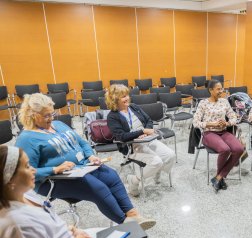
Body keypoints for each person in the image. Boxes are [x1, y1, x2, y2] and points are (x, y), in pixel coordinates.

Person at [15, 93, 155, 229]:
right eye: (46, 115)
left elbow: (82, 142)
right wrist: (55, 169)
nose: (51, 118)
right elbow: (24, 172)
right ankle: (125, 223)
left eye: (52, 114)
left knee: (111, 175)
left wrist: (90, 156)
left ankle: (134, 215)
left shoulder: (58, 124)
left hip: (81, 168)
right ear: (32, 115)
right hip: (54, 179)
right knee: (97, 188)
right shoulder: (26, 139)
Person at [0, 146, 135, 238]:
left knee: (120, 236)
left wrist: (71, 229)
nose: (34, 170)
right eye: (27, 166)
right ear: (10, 179)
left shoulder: (23, 194)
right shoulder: (16, 223)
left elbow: (46, 223)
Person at [106, 84, 175, 196]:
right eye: (123, 96)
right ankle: (134, 180)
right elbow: (122, 137)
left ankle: (156, 170)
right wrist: (141, 132)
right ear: (115, 99)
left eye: (127, 95)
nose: (127, 98)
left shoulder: (133, 107)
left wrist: (146, 131)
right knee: (156, 162)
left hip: (148, 140)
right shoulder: (112, 116)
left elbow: (148, 120)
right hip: (132, 146)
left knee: (170, 155)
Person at [192, 79, 244, 192]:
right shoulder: (203, 103)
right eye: (218, 89)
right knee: (225, 149)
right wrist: (211, 123)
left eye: (222, 88)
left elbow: (233, 117)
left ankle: (219, 177)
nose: (221, 91)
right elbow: (195, 122)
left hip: (223, 131)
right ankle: (220, 178)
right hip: (209, 133)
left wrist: (227, 123)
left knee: (239, 148)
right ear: (211, 90)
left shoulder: (224, 102)